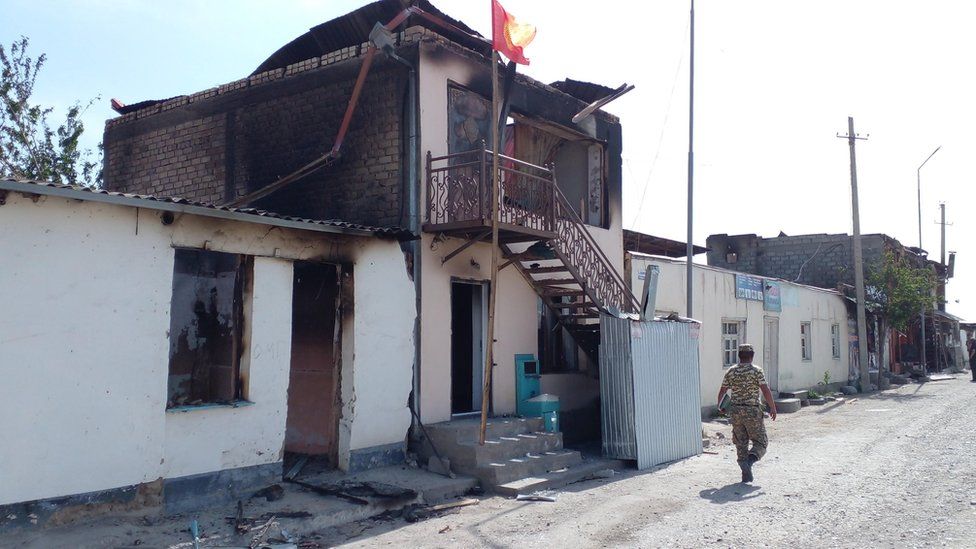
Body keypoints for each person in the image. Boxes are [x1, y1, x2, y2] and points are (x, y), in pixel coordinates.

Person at [717, 343, 777, 483]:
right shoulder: (756, 371)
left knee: (740, 442)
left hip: (736, 411)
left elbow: (722, 391)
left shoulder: (731, 371)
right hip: (752, 411)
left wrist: (721, 406)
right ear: (752, 356)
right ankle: (750, 461)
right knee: (761, 442)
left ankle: (745, 471)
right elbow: (765, 390)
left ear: (739, 356)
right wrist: (772, 407)